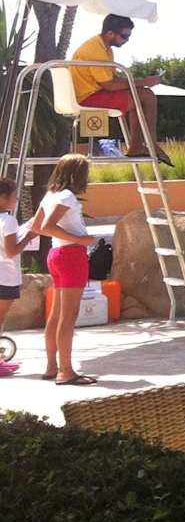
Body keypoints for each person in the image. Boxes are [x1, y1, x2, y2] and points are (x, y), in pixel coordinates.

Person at [28, 155, 98, 386]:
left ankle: (52, 366)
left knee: (57, 314)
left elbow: (37, 226)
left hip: (56, 254)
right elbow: (46, 226)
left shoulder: (51, 194)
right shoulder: (67, 196)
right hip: (71, 256)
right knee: (69, 316)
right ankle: (66, 371)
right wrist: (80, 239)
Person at [70, 14, 171, 166]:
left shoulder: (104, 48)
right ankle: (151, 145)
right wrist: (144, 82)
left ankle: (137, 146)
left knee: (142, 94)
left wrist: (141, 83)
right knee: (146, 96)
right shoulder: (95, 50)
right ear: (110, 33)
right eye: (124, 36)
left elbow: (113, 80)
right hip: (87, 98)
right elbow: (110, 85)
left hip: (94, 93)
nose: (127, 40)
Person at [0, 177, 29, 375]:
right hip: (6, 276)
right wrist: (28, 237)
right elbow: (12, 251)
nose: (15, 199)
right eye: (13, 196)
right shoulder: (9, 221)